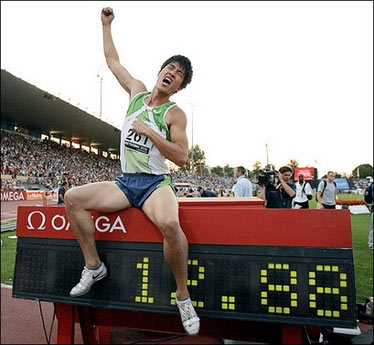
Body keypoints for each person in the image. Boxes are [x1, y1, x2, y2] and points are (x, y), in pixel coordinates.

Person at [64, 7, 199, 336]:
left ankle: (183, 297)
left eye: (179, 73)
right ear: (160, 71)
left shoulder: (174, 113)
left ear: (179, 87)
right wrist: (105, 26)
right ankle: (94, 267)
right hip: (126, 183)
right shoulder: (137, 92)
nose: (173, 73)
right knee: (72, 198)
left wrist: (152, 132)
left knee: (170, 222)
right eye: (171, 67)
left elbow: (181, 157)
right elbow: (113, 62)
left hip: (155, 184)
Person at [364, 182, 373, 249]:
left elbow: (367, 199)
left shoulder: (371, 186)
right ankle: (371, 243)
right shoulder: (371, 187)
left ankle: (371, 243)